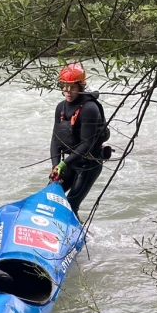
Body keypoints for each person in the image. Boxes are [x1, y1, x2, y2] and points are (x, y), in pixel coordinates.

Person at [50, 63, 110, 214]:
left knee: (70, 205)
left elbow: (87, 144)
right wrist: (56, 166)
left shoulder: (89, 108)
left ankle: (77, 235)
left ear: (81, 87)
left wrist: (63, 164)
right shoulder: (60, 107)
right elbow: (55, 140)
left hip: (89, 164)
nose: (68, 91)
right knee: (51, 196)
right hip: (70, 161)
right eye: (65, 86)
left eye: (73, 87)